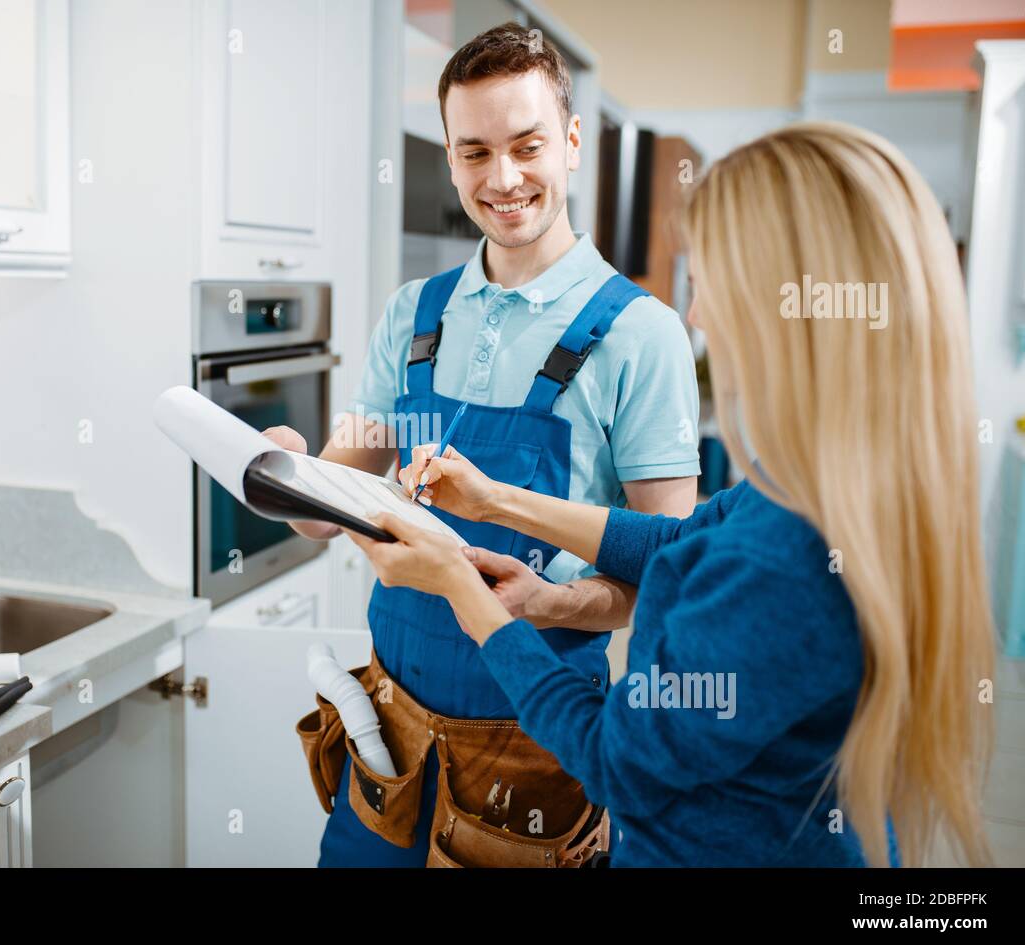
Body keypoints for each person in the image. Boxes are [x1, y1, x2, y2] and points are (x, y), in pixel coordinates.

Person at [346, 121, 995, 866]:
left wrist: (463, 588)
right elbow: (677, 542)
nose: (699, 314)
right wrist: (497, 503)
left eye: (713, 282)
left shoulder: (779, 563)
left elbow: (616, 756)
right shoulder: (825, 491)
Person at [267, 22, 700, 866]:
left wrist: (549, 602)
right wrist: (284, 475)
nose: (501, 179)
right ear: (450, 155)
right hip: (384, 742)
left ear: (572, 143)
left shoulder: (643, 337)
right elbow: (329, 507)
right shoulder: (413, 315)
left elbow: (671, 580)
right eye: (473, 153)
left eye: (527, 145)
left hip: (534, 750)